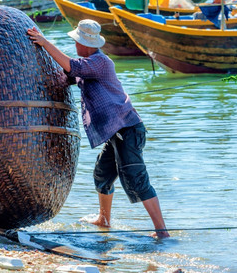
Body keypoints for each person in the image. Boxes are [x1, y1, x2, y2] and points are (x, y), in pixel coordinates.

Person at [27, 20, 170, 239]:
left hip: (127, 130)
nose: (75, 45)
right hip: (115, 133)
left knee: (137, 180)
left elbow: (71, 66)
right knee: (102, 176)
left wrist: (45, 42)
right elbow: (66, 75)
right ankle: (104, 220)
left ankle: (162, 231)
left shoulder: (100, 62)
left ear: (85, 44)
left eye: (76, 41)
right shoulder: (88, 64)